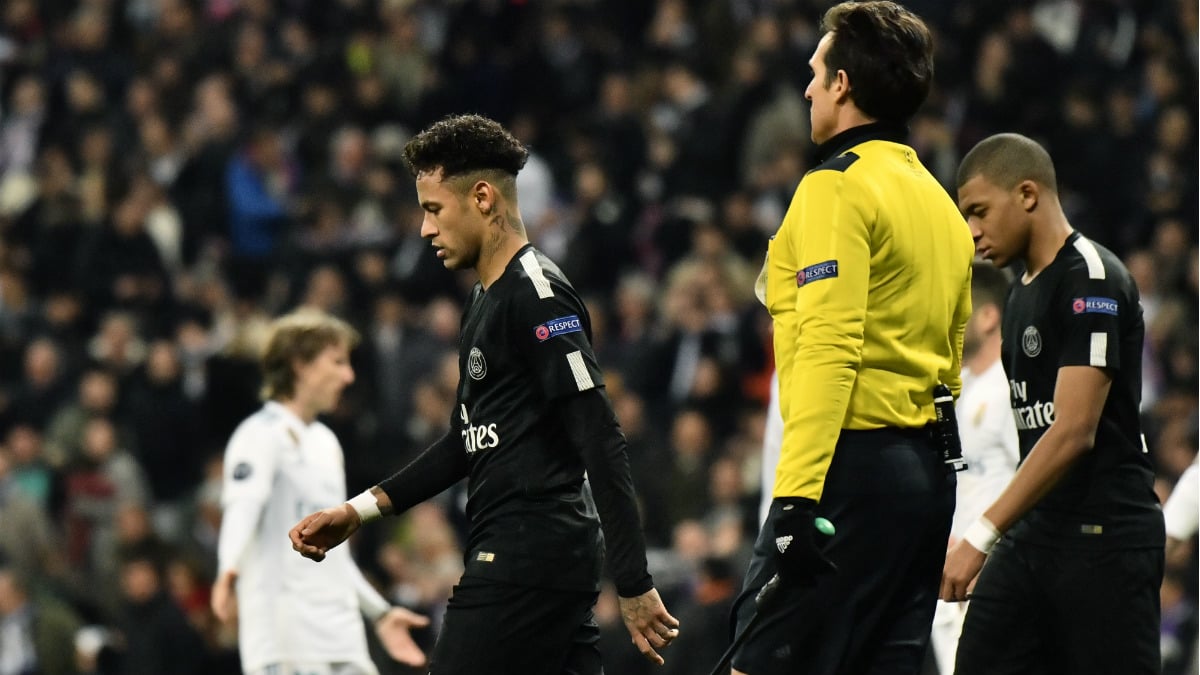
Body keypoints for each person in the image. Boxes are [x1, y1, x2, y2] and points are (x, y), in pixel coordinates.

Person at [288, 114, 679, 674]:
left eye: (432, 210)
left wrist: (635, 582)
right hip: (537, 554)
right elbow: (466, 441)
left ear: (482, 197)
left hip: (528, 551)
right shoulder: (484, 300)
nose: (424, 230)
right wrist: (358, 511)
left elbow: (600, 434)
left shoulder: (538, 296)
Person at [734, 2, 975, 674]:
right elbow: (949, 368)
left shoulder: (834, 190)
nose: (807, 88)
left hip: (847, 474)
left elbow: (828, 346)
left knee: (754, 662)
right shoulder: (942, 206)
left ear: (843, 85)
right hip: (925, 479)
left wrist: (794, 499)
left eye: (816, 73)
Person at [946, 132, 1165, 674]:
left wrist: (981, 533)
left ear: (1026, 194)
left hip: (1105, 539)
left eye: (978, 211)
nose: (972, 232)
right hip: (1036, 535)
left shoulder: (1092, 277)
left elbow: (1071, 432)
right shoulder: (1019, 294)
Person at [212, 310, 429, 675]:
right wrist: (227, 570)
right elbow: (242, 509)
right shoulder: (259, 434)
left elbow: (335, 553)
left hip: (340, 634)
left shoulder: (325, 442)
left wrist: (381, 612)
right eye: (338, 362)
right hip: (286, 639)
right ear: (300, 365)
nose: (348, 376)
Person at [928, 262, 1021, 675]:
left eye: (956, 311)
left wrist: (994, 550)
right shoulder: (951, 389)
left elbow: (1030, 477)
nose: (947, 322)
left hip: (992, 573)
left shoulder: (1011, 386)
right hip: (948, 576)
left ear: (987, 316)